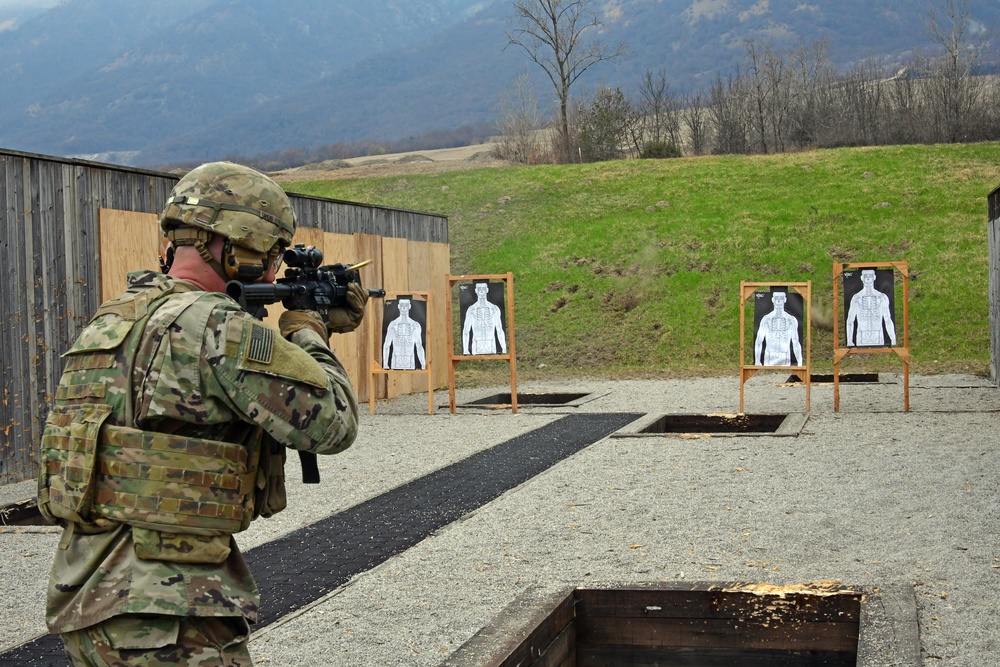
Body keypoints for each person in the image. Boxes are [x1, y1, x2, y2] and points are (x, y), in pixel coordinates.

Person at [36, 162, 368, 666]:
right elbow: (334, 422)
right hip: (169, 613)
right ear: (240, 247)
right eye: (272, 254)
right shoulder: (220, 328)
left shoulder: (112, 320)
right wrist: (307, 330)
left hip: (91, 597)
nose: (276, 270)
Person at [846, 268, 896, 347]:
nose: (868, 278)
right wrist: (849, 340)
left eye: (870, 276)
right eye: (866, 276)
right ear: (862, 278)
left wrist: (893, 339)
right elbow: (850, 320)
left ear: (874, 277)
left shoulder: (882, 297)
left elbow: (888, 320)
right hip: (861, 336)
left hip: (878, 336)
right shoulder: (856, 298)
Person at [753, 290, 803, 366]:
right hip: (769, 355)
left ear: (785, 300)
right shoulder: (766, 319)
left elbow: (796, 342)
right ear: (773, 300)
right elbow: (759, 341)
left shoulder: (791, 320)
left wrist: (800, 362)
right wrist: (757, 361)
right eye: (776, 298)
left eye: (781, 298)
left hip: (785, 355)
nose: (779, 301)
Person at [462, 282, 507, 355]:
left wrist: (504, 348)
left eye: (483, 289)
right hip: (476, 345)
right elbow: (466, 330)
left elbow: (499, 329)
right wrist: (465, 349)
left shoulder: (494, 309)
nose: (481, 291)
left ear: (487, 290)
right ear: (476, 291)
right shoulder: (471, 309)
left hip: (491, 345)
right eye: (479, 289)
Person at [382, 298, 426, 370]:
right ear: (399, 306)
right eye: (402, 305)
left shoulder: (415, 325)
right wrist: (385, 364)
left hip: (410, 362)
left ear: (409, 306)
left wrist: (423, 364)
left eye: (406, 305)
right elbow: (387, 345)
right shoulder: (393, 324)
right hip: (396, 362)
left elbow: (419, 346)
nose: (404, 308)